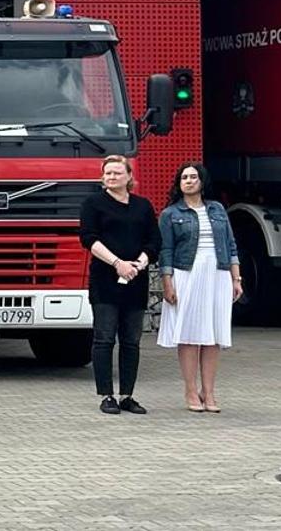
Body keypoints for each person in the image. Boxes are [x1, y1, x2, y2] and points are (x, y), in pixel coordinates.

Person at [157, 163, 242, 413]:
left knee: (213, 334)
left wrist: (236, 278)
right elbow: (165, 250)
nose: (189, 181)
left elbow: (231, 244)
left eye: (193, 177)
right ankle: (191, 390)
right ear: (178, 183)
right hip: (187, 274)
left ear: (202, 182)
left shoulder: (217, 209)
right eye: (184, 177)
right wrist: (167, 282)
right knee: (189, 334)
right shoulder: (170, 214)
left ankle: (209, 391)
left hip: (218, 273)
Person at [78, 154, 157, 415]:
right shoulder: (93, 203)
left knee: (131, 340)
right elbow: (89, 238)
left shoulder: (143, 206)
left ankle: (127, 395)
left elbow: (153, 241)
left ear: (129, 176)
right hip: (105, 281)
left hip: (135, 280)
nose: (112, 177)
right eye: (108, 173)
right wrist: (117, 263)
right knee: (104, 338)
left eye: (117, 173)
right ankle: (106, 395)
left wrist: (139, 264)